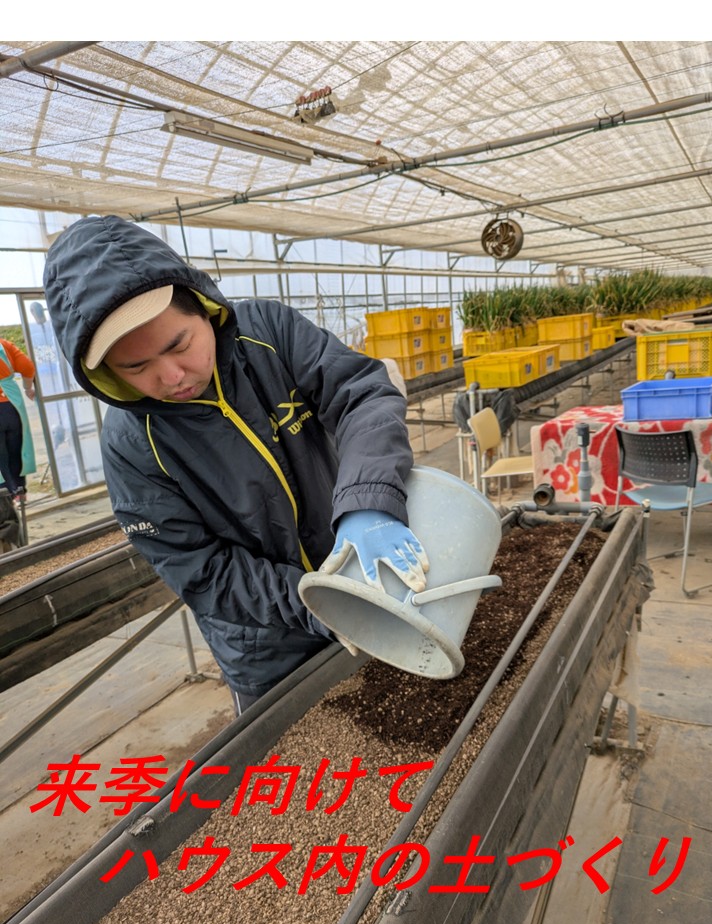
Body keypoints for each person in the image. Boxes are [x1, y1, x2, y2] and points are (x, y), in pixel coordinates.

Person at [43, 215, 429, 713]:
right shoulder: (133, 447)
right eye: (136, 367)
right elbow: (202, 570)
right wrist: (318, 600)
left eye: (179, 345)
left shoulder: (269, 334)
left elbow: (362, 394)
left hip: (369, 579)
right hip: (268, 651)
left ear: (203, 308)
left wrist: (367, 502)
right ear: (105, 374)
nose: (172, 376)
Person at [0, 336, 36, 501]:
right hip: (12, 405)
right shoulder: (4, 345)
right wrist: (28, 388)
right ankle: (20, 490)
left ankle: (7, 494)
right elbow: (27, 366)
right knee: (16, 449)